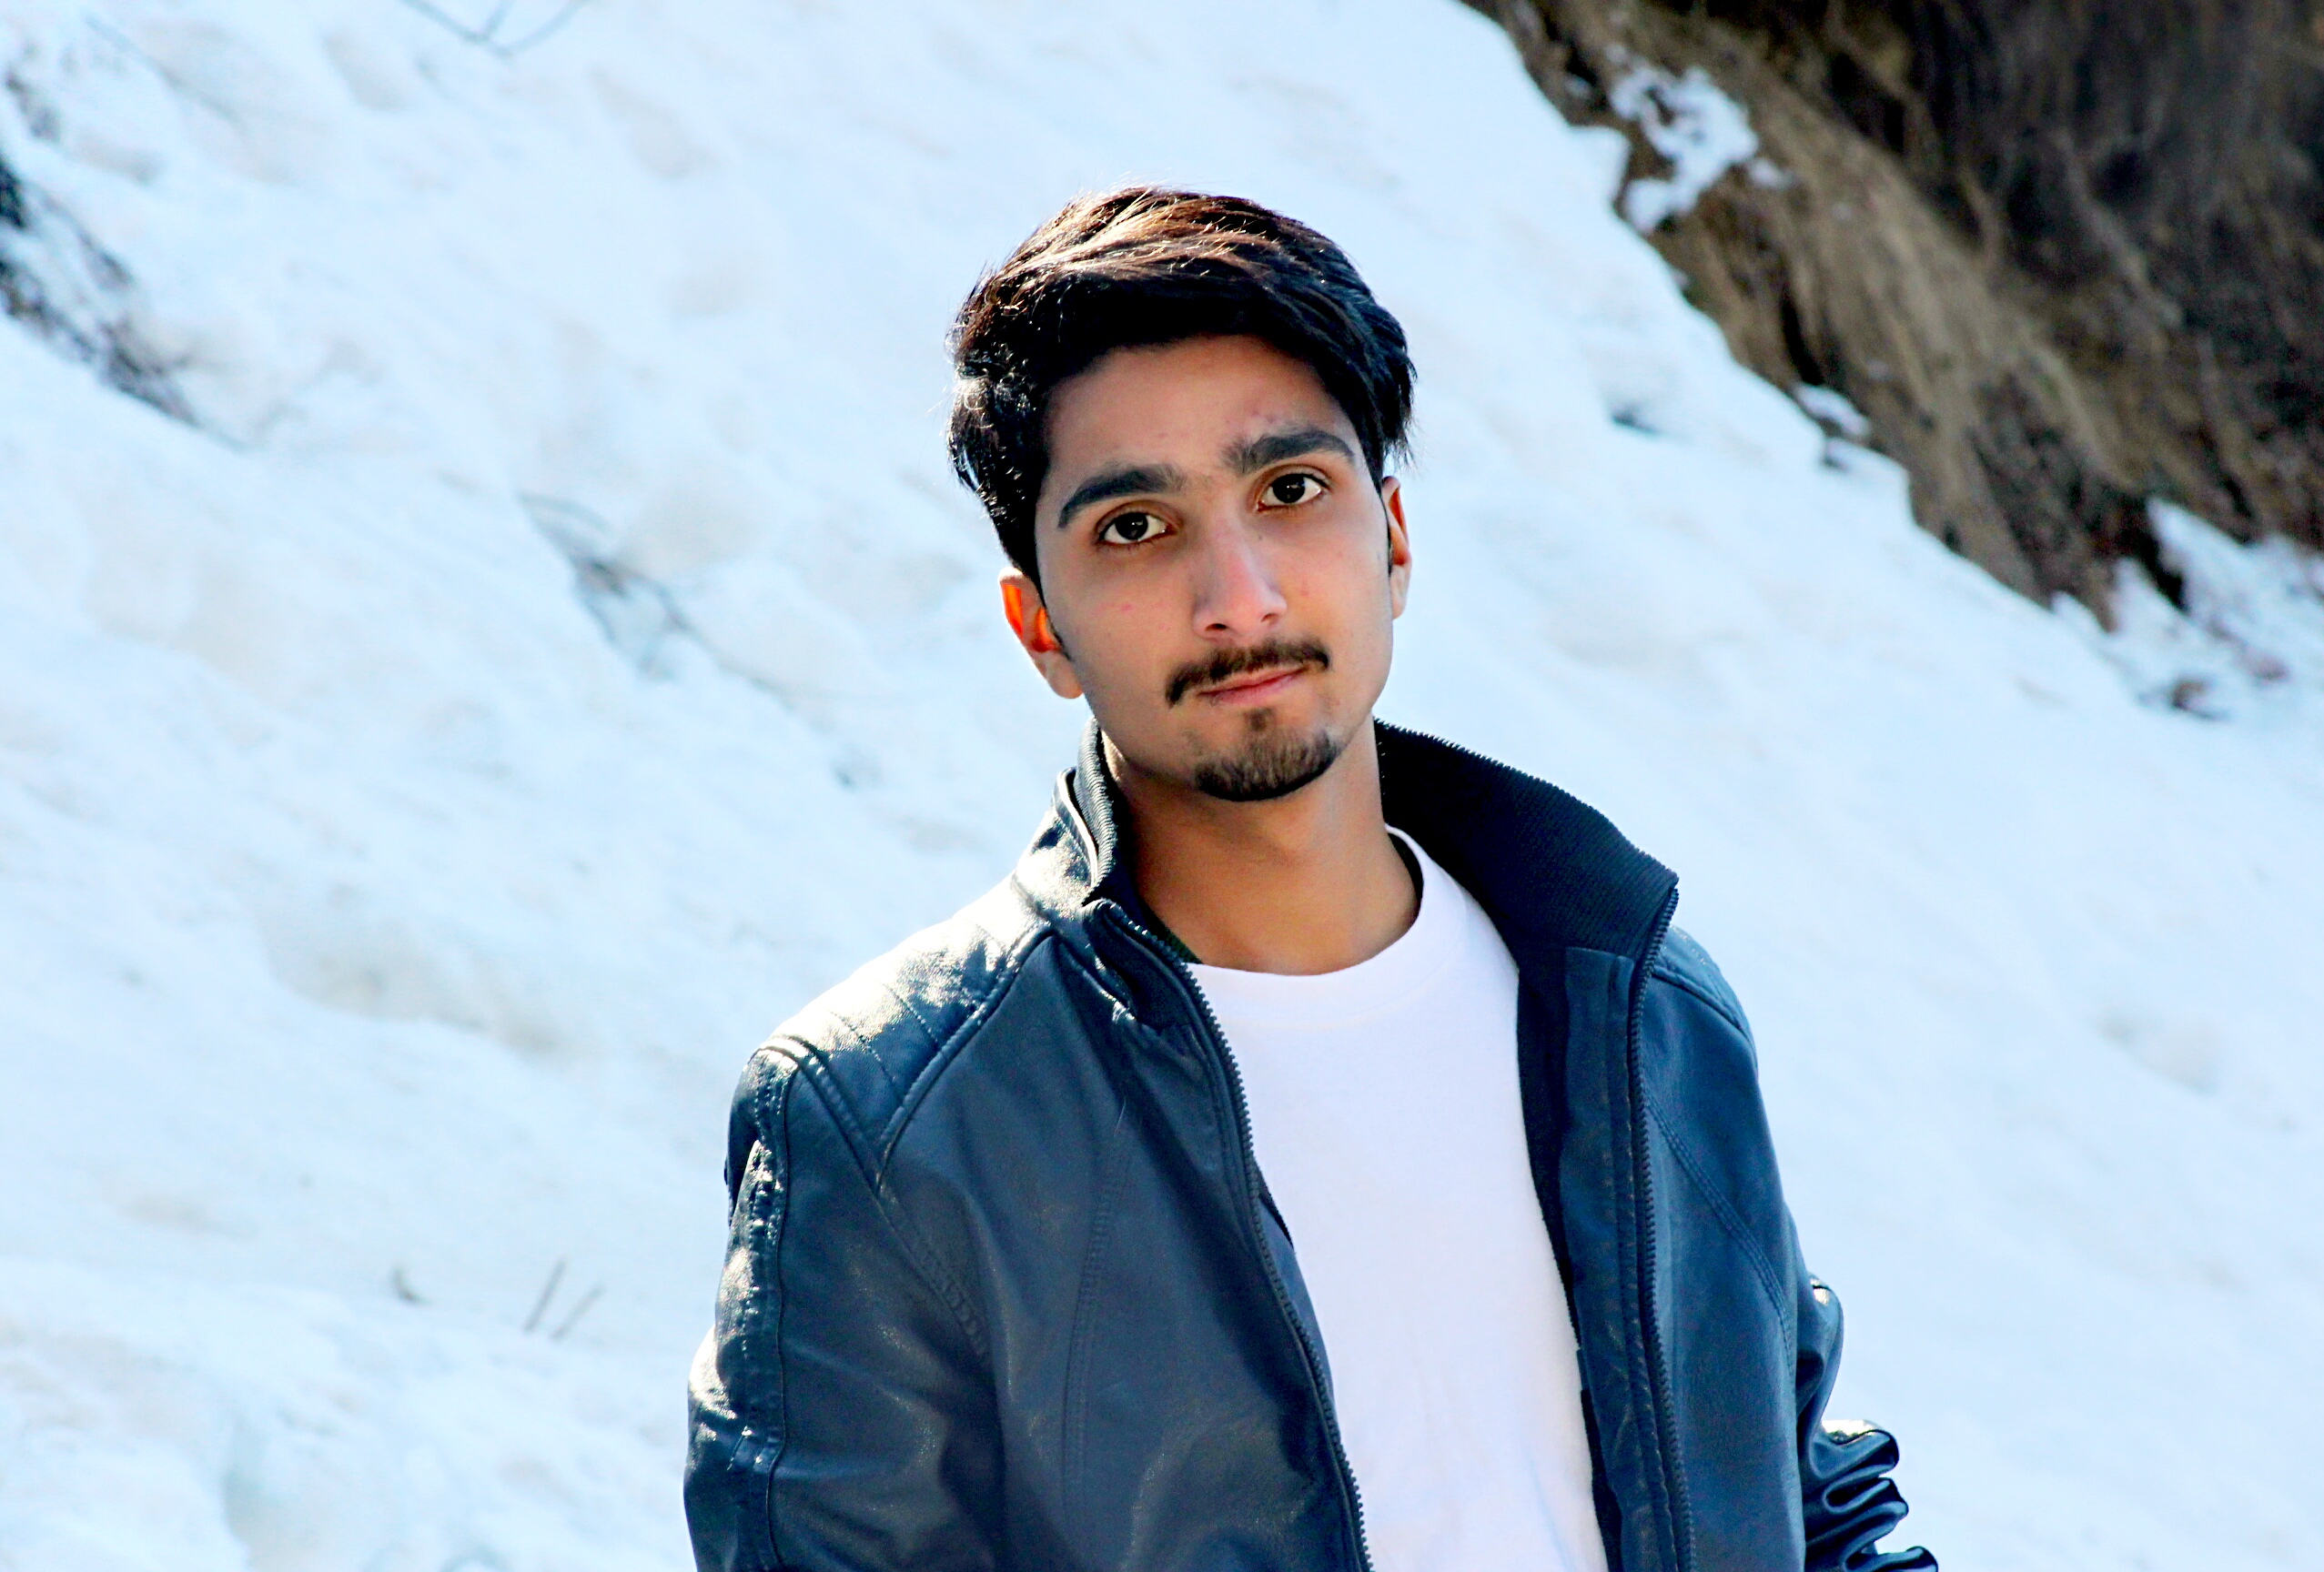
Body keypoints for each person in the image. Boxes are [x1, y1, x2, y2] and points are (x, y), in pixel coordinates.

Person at [685, 186, 1932, 1572]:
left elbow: (1802, 1496)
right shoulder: (891, 1123)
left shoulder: (1629, 994)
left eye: (1290, 493)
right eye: (1135, 527)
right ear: (1040, 627)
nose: (1242, 597)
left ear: (1391, 540)